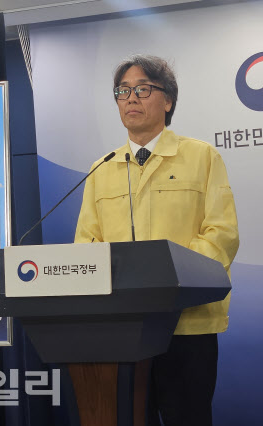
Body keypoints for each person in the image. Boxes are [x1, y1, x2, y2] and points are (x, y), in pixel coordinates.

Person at [74, 54, 239, 426]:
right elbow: (87, 242)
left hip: (187, 323)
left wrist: (170, 280)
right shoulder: (102, 168)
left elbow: (222, 234)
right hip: (123, 327)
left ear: (168, 101)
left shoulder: (202, 157)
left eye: (143, 89)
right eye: (123, 91)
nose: (131, 98)